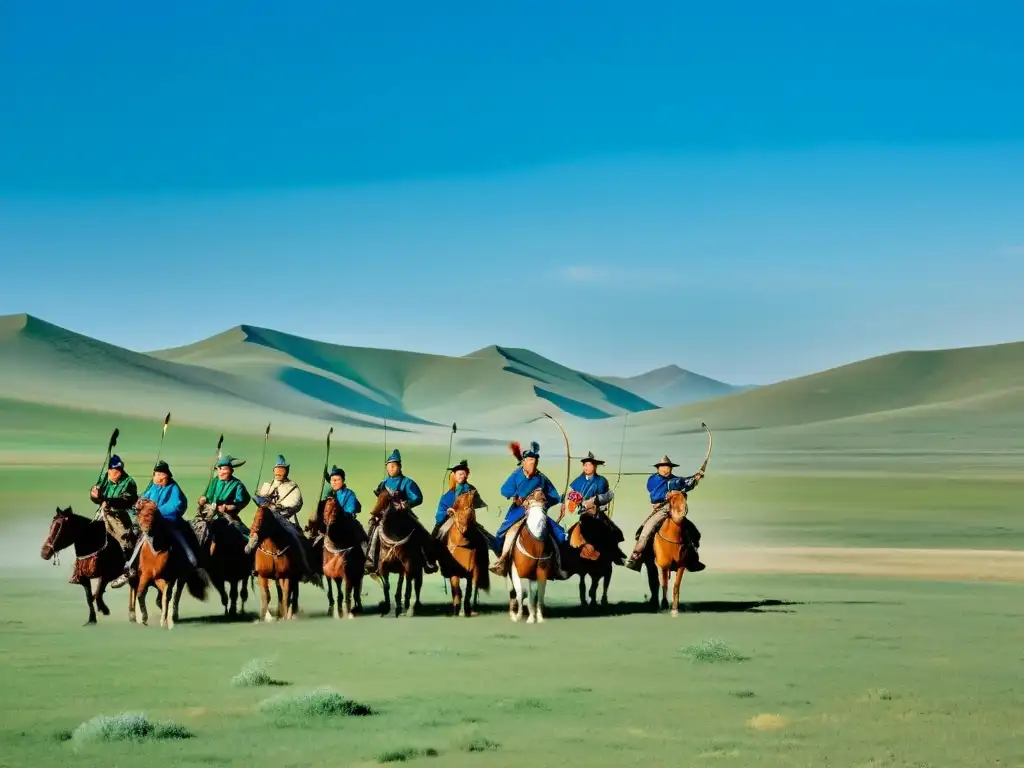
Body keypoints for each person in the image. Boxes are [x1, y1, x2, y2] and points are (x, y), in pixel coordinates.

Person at [110, 461, 201, 588]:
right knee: (138, 540)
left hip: (168, 521)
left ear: (167, 476)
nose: (158, 477)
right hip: (150, 523)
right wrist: (140, 504)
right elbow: (143, 499)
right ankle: (129, 569)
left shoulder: (173, 488)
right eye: (156, 474)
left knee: (180, 538)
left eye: (161, 474)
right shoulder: (153, 487)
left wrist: (157, 511)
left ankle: (192, 561)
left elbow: (178, 505)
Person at [489, 441, 568, 578]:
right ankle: (502, 560)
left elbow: (553, 496)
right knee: (501, 533)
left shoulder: (542, 478)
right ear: (523, 462)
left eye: (535, 460)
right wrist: (515, 496)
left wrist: (556, 501)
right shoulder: (516, 475)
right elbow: (504, 489)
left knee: (559, 534)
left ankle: (558, 565)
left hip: (538, 509)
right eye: (530, 460)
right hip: (518, 510)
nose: (533, 463)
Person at [623, 455, 705, 572]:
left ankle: (692, 559)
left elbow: (685, 483)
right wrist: (669, 493)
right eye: (663, 467)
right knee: (646, 531)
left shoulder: (675, 479)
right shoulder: (653, 480)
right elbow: (655, 494)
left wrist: (696, 478)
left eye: (668, 467)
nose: (666, 469)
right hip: (660, 510)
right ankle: (635, 558)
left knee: (692, 531)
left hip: (675, 509)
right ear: (658, 469)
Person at [364, 449, 438, 574]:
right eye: (389, 466)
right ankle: (370, 560)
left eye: (393, 466)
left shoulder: (407, 482)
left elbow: (418, 498)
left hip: (403, 514)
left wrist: (406, 504)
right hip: (385, 515)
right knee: (373, 530)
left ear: (399, 466)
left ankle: (427, 561)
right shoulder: (384, 483)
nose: (391, 469)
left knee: (420, 531)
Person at [253, 454, 314, 577]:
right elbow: (260, 501)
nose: (279, 473)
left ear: (286, 472)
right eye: (277, 471)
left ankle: (303, 566)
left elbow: (297, 503)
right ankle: (254, 565)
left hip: (286, 519)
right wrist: (263, 501)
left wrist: (281, 507)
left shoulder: (292, 487)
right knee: (254, 536)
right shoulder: (267, 486)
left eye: (282, 471)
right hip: (268, 519)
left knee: (298, 539)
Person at [565, 451, 626, 561]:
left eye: (589, 465)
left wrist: (596, 502)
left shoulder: (601, 481)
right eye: (585, 465)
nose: (587, 467)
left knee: (612, 531)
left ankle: (614, 554)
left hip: (594, 512)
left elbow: (606, 497)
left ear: (595, 466)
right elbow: (569, 497)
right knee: (563, 531)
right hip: (577, 513)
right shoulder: (577, 482)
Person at [89, 454, 139, 562]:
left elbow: (125, 502)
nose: (117, 472)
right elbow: (96, 496)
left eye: (119, 469)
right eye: (114, 469)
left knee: (125, 537)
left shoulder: (129, 482)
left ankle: (128, 559)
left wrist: (106, 500)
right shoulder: (104, 478)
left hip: (125, 514)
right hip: (105, 511)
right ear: (109, 470)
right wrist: (94, 495)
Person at [431, 459, 492, 545]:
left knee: (487, 537)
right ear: (454, 475)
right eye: (460, 474)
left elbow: (476, 503)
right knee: (437, 536)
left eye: (464, 474)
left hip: (467, 520)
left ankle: (500, 553)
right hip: (451, 519)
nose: (462, 476)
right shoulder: (449, 493)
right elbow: (442, 509)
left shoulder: (470, 488)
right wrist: (447, 511)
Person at [197, 455, 251, 538]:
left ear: (231, 471)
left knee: (245, 536)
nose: (220, 472)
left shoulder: (237, 484)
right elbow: (207, 496)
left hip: (226, 517)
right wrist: (202, 501)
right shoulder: (215, 481)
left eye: (224, 469)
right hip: (209, 515)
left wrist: (227, 507)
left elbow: (241, 502)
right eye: (219, 469)